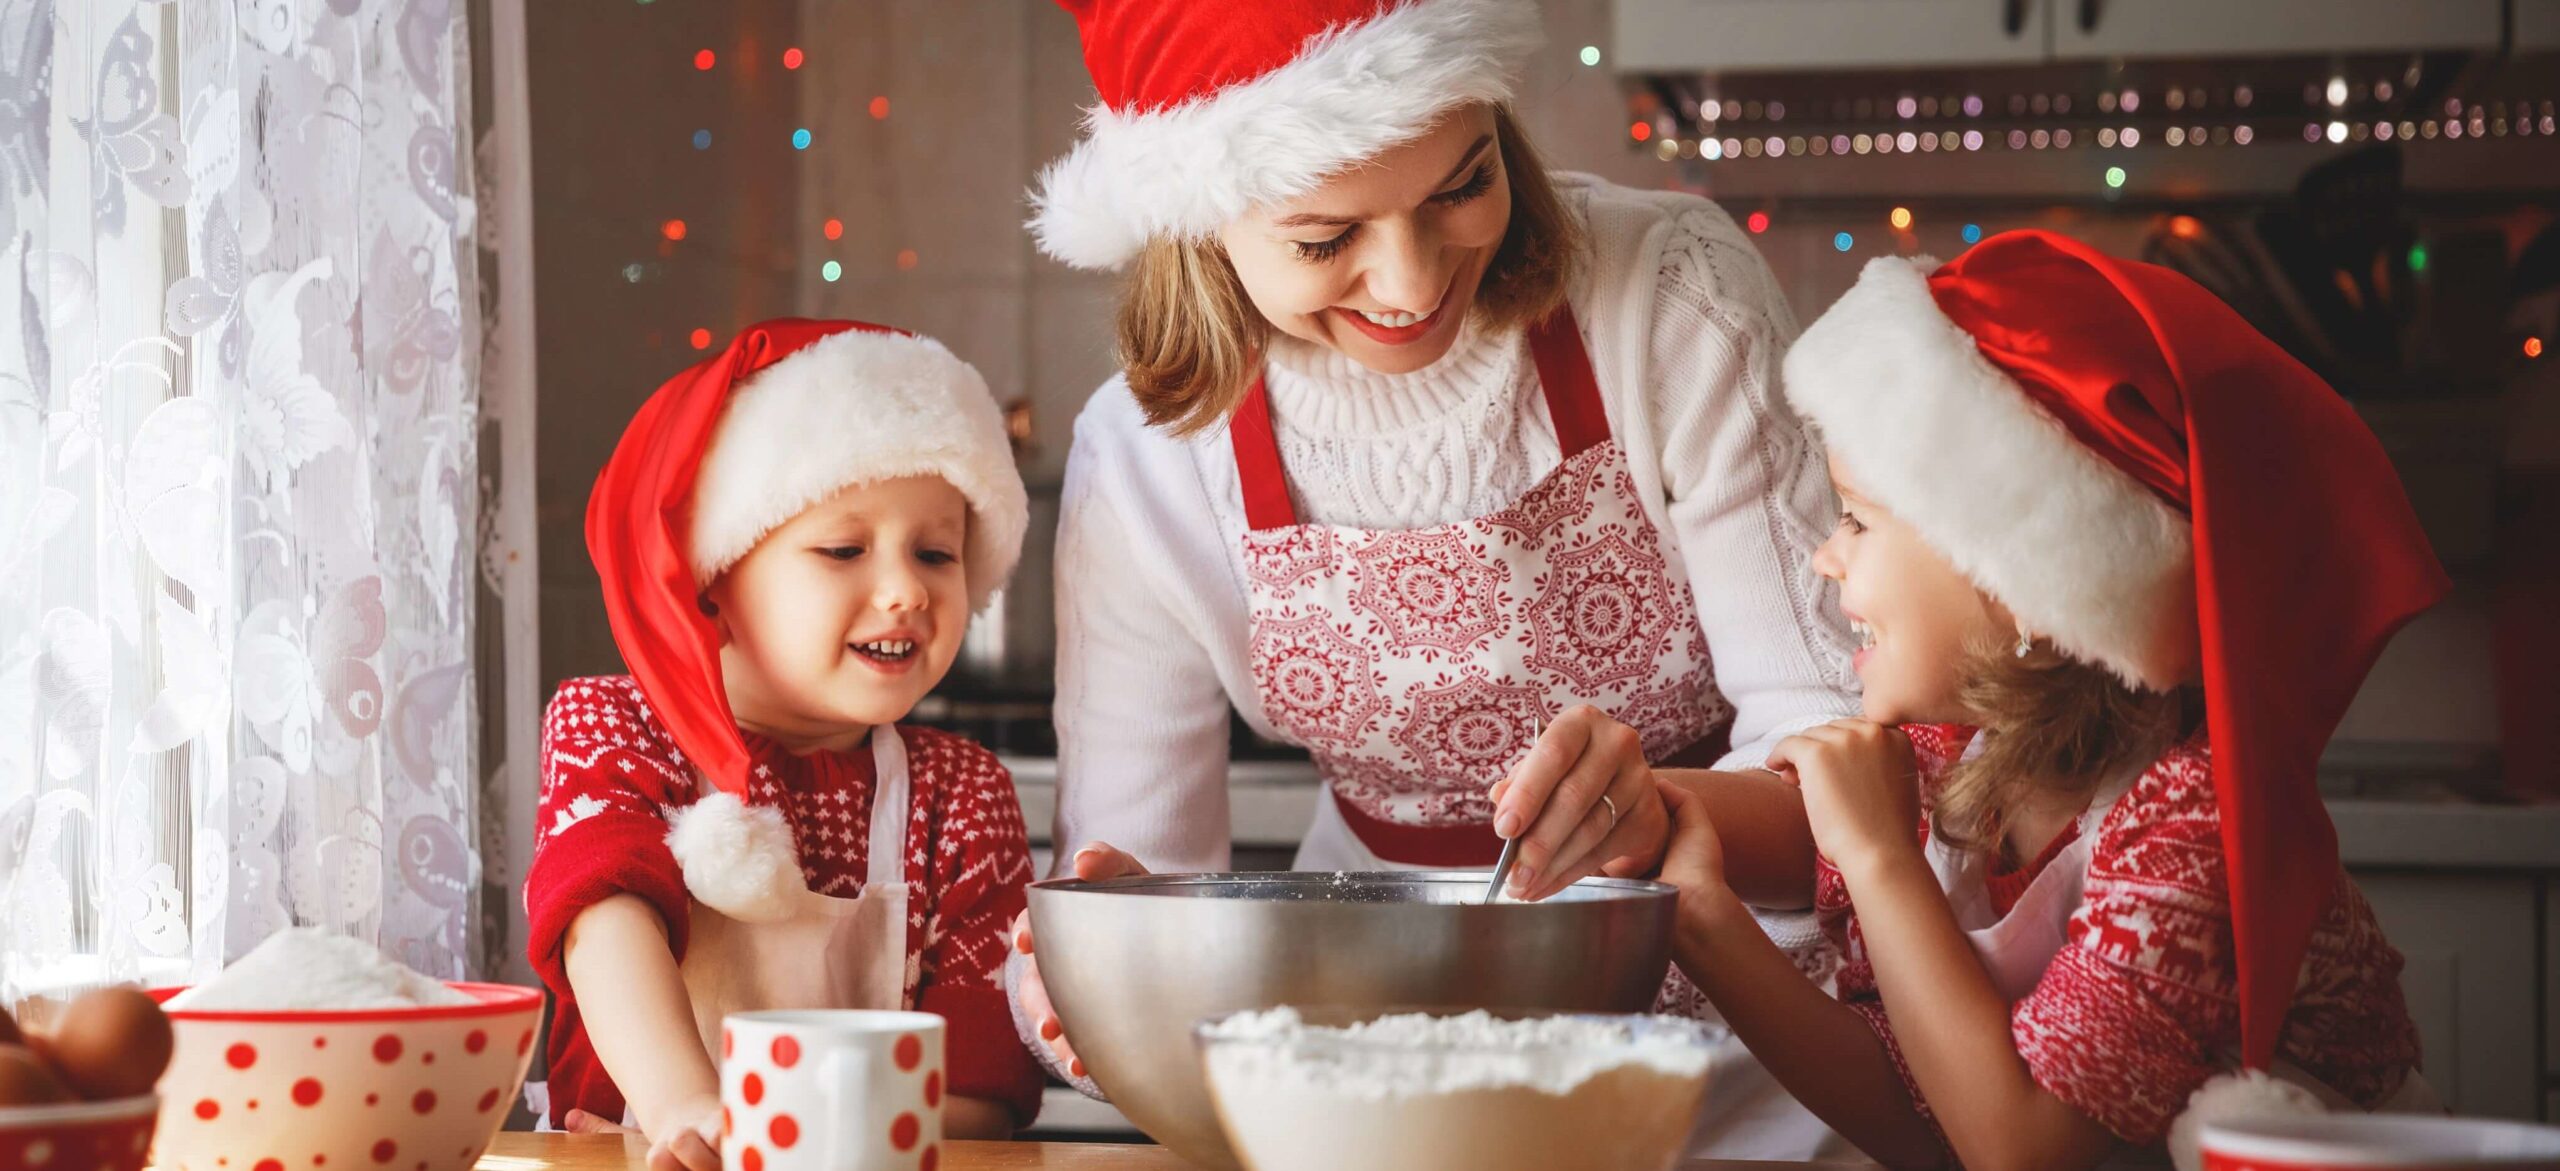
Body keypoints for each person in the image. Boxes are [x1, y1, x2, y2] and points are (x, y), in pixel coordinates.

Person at [1010, 0, 1862, 1156]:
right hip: (1369, 1057)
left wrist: (1667, 813)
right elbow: (1137, 872)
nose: (1410, 283)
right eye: (1324, 240)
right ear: (1199, 224)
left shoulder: (1665, 298)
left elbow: (1846, 758)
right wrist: (1090, 960)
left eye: (1459, 186)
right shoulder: (1148, 458)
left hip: (1754, 1031)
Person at [1650, 231, 2446, 1170]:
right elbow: (1922, 1117)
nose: (1828, 554)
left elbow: (2022, 1151)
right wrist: (1695, 909)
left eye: (1859, 517)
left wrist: (1875, 858)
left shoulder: (2194, 823)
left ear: (2021, 581)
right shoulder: (1956, 761)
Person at [522, 321, 1045, 1168]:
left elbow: (983, 1088)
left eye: (937, 552)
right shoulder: (613, 727)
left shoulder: (961, 791)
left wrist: (782, 1136)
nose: (907, 587)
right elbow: (601, 924)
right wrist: (688, 1108)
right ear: (709, 573)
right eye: (844, 548)